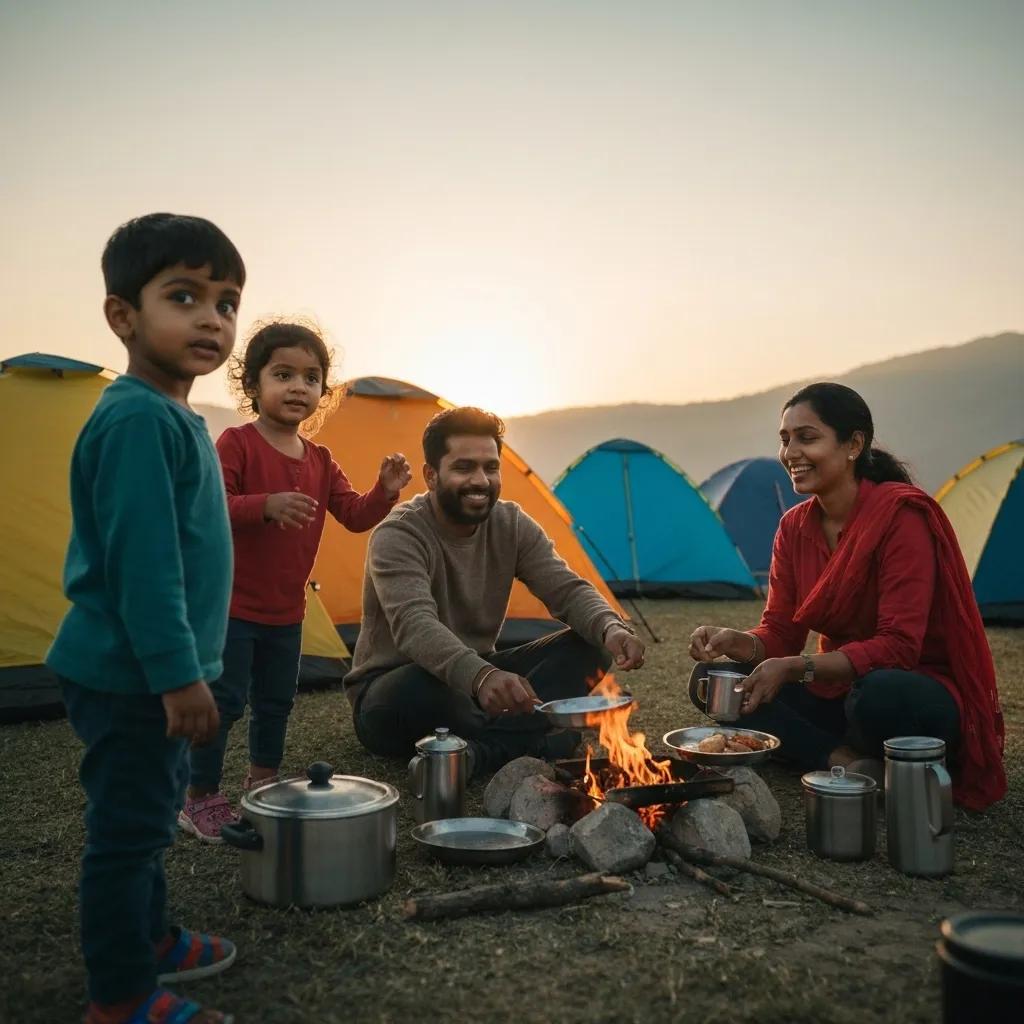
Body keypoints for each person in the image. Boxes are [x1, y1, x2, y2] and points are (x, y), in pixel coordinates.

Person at [46, 214, 244, 1024]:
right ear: (123, 316)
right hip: (134, 675)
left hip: (154, 676)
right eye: (185, 296)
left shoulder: (175, 417)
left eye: (227, 303)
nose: (212, 318)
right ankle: (121, 994)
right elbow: (143, 565)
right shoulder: (133, 419)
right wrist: (178, 676)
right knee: (126, 832)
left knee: (152, 812)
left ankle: (153, 937)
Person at [688, 382, 1006, 811]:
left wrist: (795, 667)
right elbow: (781, 631)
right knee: (711, 680)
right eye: (785, 440)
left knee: (877, 694)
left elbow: (899, 647)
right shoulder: (793, 527)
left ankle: (837, 749)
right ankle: (846, 760)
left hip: (914, 693)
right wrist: (737, 642)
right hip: (839, 690)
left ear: (854, 444)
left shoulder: (900, 517)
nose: (791, 453)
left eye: (807, 437)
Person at [179, 320, 412, 841]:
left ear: (320, 394)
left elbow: (352, 514)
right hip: (233, 607)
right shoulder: (237, 443)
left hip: (288, 612)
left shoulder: (321, 460)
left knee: (276, 702)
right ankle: (199, 798)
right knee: (223, 702)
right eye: (283, 374)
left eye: (310, 378)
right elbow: (211, 506)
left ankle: (262, 782)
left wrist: (385, 490)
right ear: (253, 385)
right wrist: (266, 506)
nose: (297, 387)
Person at [345, 406, 646, 776]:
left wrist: (610, 627)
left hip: (479, 676)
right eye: (463, 467)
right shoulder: (399, 534)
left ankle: (479, 752)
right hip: (395, 691)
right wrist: (482, 677)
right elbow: (414, 625)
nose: (480, 480)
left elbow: (565, 588)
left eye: (490, 467)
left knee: (591, 643)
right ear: (431, 475)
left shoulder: (511, 523)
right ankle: (540, 739)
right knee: (425, 687)